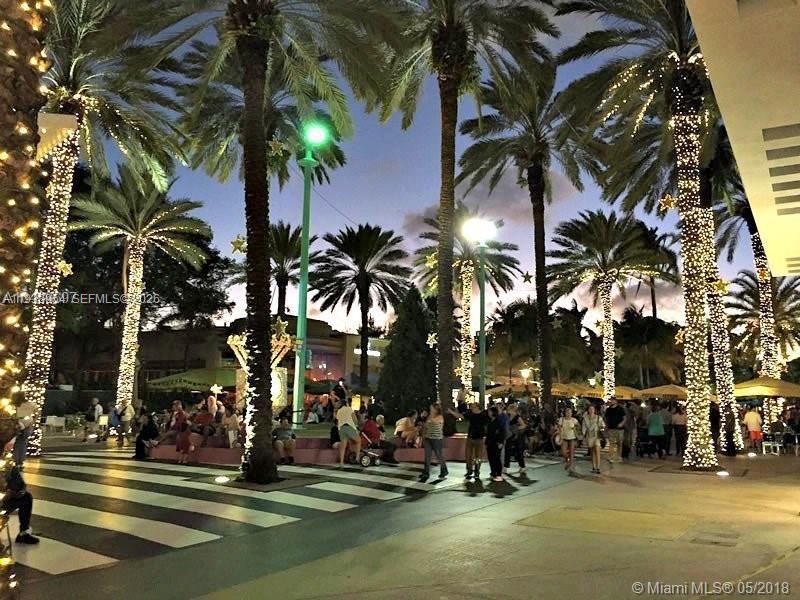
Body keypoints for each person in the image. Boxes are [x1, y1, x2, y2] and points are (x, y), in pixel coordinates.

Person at [448, 403, 488, 481]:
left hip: (479, 438)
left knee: (478, 457)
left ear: (477, 407)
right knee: (468, 455)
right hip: (470, 437)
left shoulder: (483, 415)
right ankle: (469, 470)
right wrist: (452, 412)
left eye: (473, 407)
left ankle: (477, 470)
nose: (471, 408)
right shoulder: (470, 414)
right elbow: (460, 416)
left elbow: (487, 425)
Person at [2, 463, 39, 545]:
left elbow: (21, 484)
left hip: (5, 498)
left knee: (26, 498)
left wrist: (17, 492)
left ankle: (23, 534)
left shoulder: (8, 466)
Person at [419, 404, 448, 482]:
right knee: (427, 456)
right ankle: (426, 472)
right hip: (428, 438)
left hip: (437, 439)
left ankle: (444, 470)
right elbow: (426, 426)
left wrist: (426, 417)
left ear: (436, 410)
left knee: (439, 455)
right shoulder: (429, 416)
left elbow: (434, 422)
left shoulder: (440, 417)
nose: (430, 409)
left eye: (431, 408)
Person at [503, 404, 527, 475]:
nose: (509, 410)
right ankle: (505, 467)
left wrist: (516, 428)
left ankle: (522, 466)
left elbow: (523, 425)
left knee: (518, 451)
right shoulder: (507, 416)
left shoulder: (517, 417)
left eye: (510, 409)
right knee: (507, 451)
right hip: (509, 435)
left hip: (516, 436)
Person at [336, 399, 361, 466]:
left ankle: (341, 462)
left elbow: (338, 421)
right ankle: (357, 458)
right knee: (358, 441)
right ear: (346, 404)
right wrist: (356, 426)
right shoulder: (349, 409)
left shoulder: (339, 411)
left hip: (341, 429)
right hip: (349, 427)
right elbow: (355, 419)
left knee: (343, 446)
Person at [485, 406, 505, 482]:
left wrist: (501, 442)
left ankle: (499, 474)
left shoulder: (498, 422)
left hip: (496, 443)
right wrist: (486, 442)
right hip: (490, 442)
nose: (488, 413)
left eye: (490, 411)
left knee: (496, 458)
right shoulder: (490, 421)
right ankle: (493, 473)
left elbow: (502, 432)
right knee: (491, 458)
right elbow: (488, 433)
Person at [582, 404, 604, 474]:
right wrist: (582, 437)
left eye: (592, 409)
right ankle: (594, 467)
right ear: (588, 410)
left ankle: (598, 467)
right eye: (590, 409)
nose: (591, 410)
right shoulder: (585, 418)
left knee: (597, 450)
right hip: (589, 436)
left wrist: (601, 429)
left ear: (594, 410)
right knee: (592, 452)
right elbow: (583, 429)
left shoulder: (598, 418)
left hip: (596, 436)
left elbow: (603, 425)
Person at [13, 397, 34, 467]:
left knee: (20, 445)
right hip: (22, 429)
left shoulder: (23, 411)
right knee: (20, 445)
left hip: (23, 430)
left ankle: (18, 461)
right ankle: (18, 461)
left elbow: (28, 420)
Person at [604, 396, 625, 463]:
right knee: (611, 443)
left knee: (619, 443)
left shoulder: (620, 409)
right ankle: (611, 457)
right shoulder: (608, 409)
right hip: (611, 428)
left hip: (619, 429)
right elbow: (605, 418)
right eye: (611, 400)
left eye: (613, 400)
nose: (612, 401)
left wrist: (621, 423)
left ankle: (619, 456)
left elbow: (625, 418)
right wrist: (606, 426)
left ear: (616, 401)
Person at [558, 407, 579, 472]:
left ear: (572, 413)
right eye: (567, 412)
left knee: (571, 452)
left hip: (572, 437)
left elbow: (579, 426)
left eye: (570, 412)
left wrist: (575, 429)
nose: (568, 414)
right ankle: (568, 460)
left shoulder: (574, 420)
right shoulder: (561, 419)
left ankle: (571, 466)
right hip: (564, 437)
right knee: (563, 452)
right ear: (565, 413)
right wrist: (560, 436)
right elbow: (559, 427)